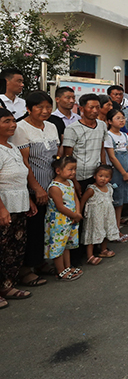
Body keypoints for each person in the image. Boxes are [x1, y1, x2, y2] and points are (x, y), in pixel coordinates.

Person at [12, 91, 60, 286]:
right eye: (39, 107)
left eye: (48, 107)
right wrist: (37, 189)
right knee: (32, 228)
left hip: (52, 184)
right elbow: (24, 162)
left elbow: (58, 155)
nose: (45, 111)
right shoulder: (21, 128)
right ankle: (26, 269)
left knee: (47, 226)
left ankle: (40, 262)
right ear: (29, 109)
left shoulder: (51, 126)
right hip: (33, 187)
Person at [0, 107, 36, 305]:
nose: (13, 125)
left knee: (13, 249)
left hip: (18, 205)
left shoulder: (12, 147)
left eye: (13, 121)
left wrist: (27, 199)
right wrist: (2, 209)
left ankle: (7, 285)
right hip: (4, 207)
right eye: (6, 121)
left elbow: (20, 176)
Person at [45, 155, 83, 281]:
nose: (73, 172)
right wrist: (75, 215)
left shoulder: (70, 183)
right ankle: (60, 271)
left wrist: (77, 212)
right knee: (58, 246)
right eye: (70, 169)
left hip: (70, 220)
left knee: (66, 244)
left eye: (74, 169)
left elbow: (75, 198)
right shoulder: (55, 187)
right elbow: (60, 207)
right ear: (58, 171)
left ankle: (67, 266)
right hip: (58, 222)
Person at [63, 94, 108, 196]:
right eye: (91, 107)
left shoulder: (102, 125)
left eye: (97, 107)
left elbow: (102, 149)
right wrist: (74, 181)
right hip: (79, 176)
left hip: (97, 175)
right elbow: (67, 157)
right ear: (82, 108)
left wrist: (104, 171)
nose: (95, 111)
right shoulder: (72, 129)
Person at [80, 165, 120, 265]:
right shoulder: (92, 189)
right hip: (95, 217)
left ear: (110, 178)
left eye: (106, 177)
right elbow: (83, 201)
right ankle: (90, 256)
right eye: (100, 176)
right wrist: (79, 212)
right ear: (95, 176)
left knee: (106, 230)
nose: (103, 179)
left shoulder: (109, 188)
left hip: (107, 215)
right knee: (92, 234)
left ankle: (103, 250)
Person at [104, 109, 128, 236]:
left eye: (122, 117)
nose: (122, 120)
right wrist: (124, 173)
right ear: (109, 121)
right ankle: (113, 230)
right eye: (117, 118)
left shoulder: (125, 135)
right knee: (114, 200)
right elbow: (112, 157)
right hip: (116, 172)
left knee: (121, 200)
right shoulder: (108, 136)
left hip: (126, 171)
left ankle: (117, 228)